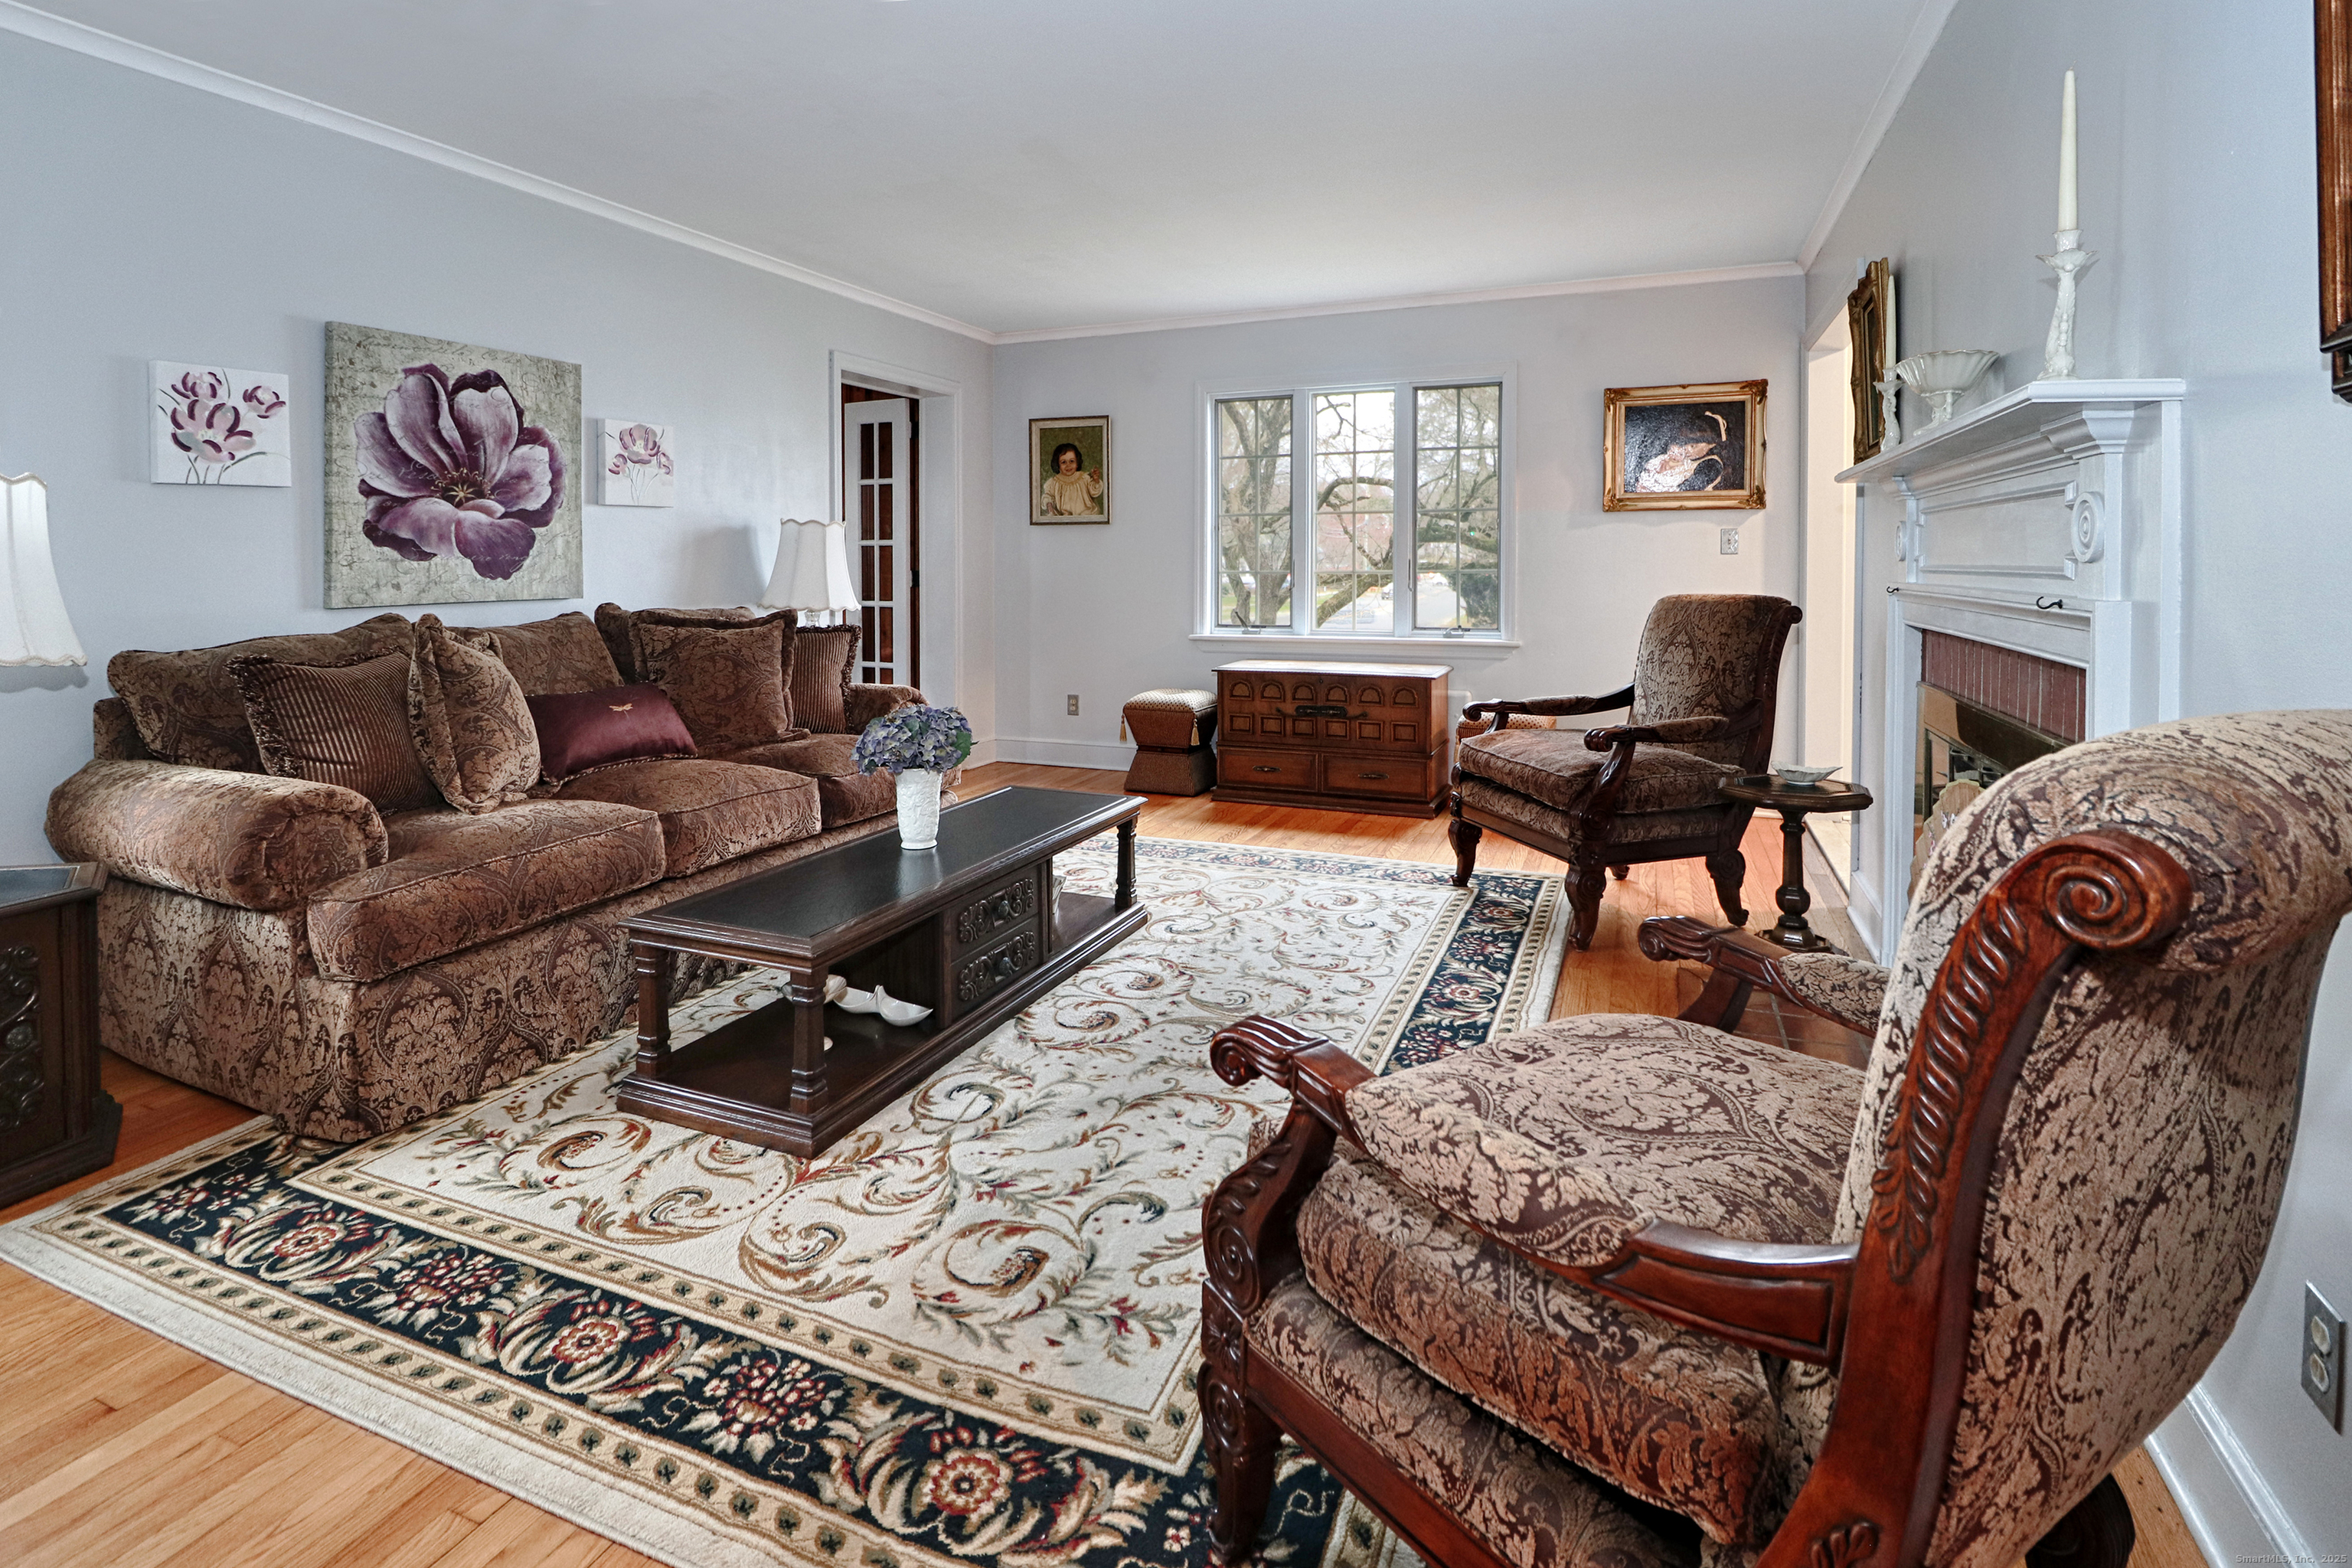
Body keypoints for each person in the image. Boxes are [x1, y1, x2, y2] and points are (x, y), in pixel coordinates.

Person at [1631, 410, 1733, 493]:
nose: (1686, 450)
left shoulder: (1712, 464)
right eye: (1685, 444)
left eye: (1693, 446)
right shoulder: (1676, 456)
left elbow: (1685, 491)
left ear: (1711, 444)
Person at [1039, 441, 1103, 516]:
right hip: (1065, 517)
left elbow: (1094, 492)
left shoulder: (1084, 478)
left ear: (1077, 463)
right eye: (1063, 462)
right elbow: (1048, 495)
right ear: (1058, 465)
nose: (1068, 465)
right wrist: (1049, 505)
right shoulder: (1054, 482)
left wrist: (1096, 480)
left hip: (1087, 514)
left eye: (1072, 461)